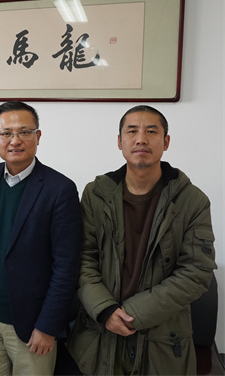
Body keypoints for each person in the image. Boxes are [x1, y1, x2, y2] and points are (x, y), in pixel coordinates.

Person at [67, 105, 217, 375]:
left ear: (166, 142)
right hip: (100, 334)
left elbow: (196, 271)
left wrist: (134, 313)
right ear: (119, 141)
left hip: (162, 340)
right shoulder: (96, 194)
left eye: (151, 131)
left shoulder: (192, 200)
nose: (141, 139)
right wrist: (105, 310)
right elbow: (82, 258)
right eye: (132, 131)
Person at [0, 101, 82, 375]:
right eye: (6, 133)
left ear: (38, 136)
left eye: (25, 132)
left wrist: (48, 325)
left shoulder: (60, 189)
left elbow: (67, 266)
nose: (15, 140)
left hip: (33, 322)